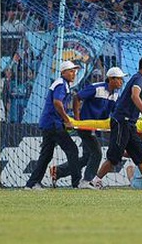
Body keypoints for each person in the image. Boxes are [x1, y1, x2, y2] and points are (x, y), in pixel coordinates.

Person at [50, 67, 127, 188]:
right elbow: (77, 97)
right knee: (97, 153)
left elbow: (115, 111)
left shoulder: (116, 95)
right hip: (85, 127)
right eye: (120, 79)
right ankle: (87, 181)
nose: (122, 82)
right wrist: (77, 119)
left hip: (97, 128)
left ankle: (59, 171)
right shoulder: (96, 88)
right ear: (111, 79)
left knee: (87, 157)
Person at [89, 57, 142, 190]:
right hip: (122, 121)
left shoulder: (139, 79)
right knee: (115, 155)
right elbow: (134, 96)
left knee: (140, 153)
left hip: (129, 123)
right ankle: (95, 181)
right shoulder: (138, 78)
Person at [25, 61, 82, 189]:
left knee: (46, 155)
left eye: (75, 71)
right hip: (53, 124)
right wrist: (66, 119)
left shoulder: (63, 84)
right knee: (72, 150)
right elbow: (57, 103)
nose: (74, 74)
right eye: (71, 71)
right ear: (63, 72)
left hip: (49, 123)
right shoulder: (61, 84)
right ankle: (77, 182)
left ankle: (32, 183)